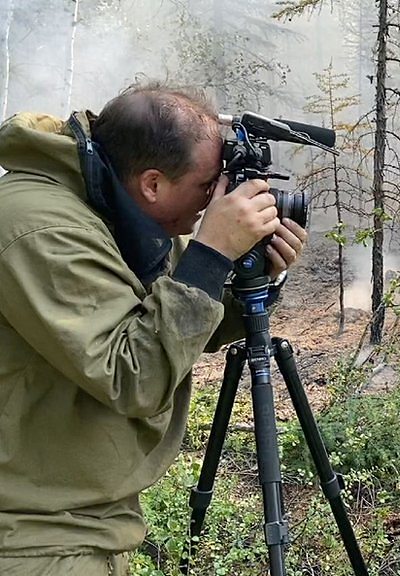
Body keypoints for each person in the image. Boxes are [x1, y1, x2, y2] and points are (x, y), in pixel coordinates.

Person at [0, 83, 308, 575]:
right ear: (152, 184)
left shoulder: (111, 209)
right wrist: (210, 254)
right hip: (34, 538)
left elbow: (171, 321)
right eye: (208, 187)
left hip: (74, 517)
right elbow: (134, 374)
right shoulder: (44, 230)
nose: (213, 203)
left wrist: (254, 274)